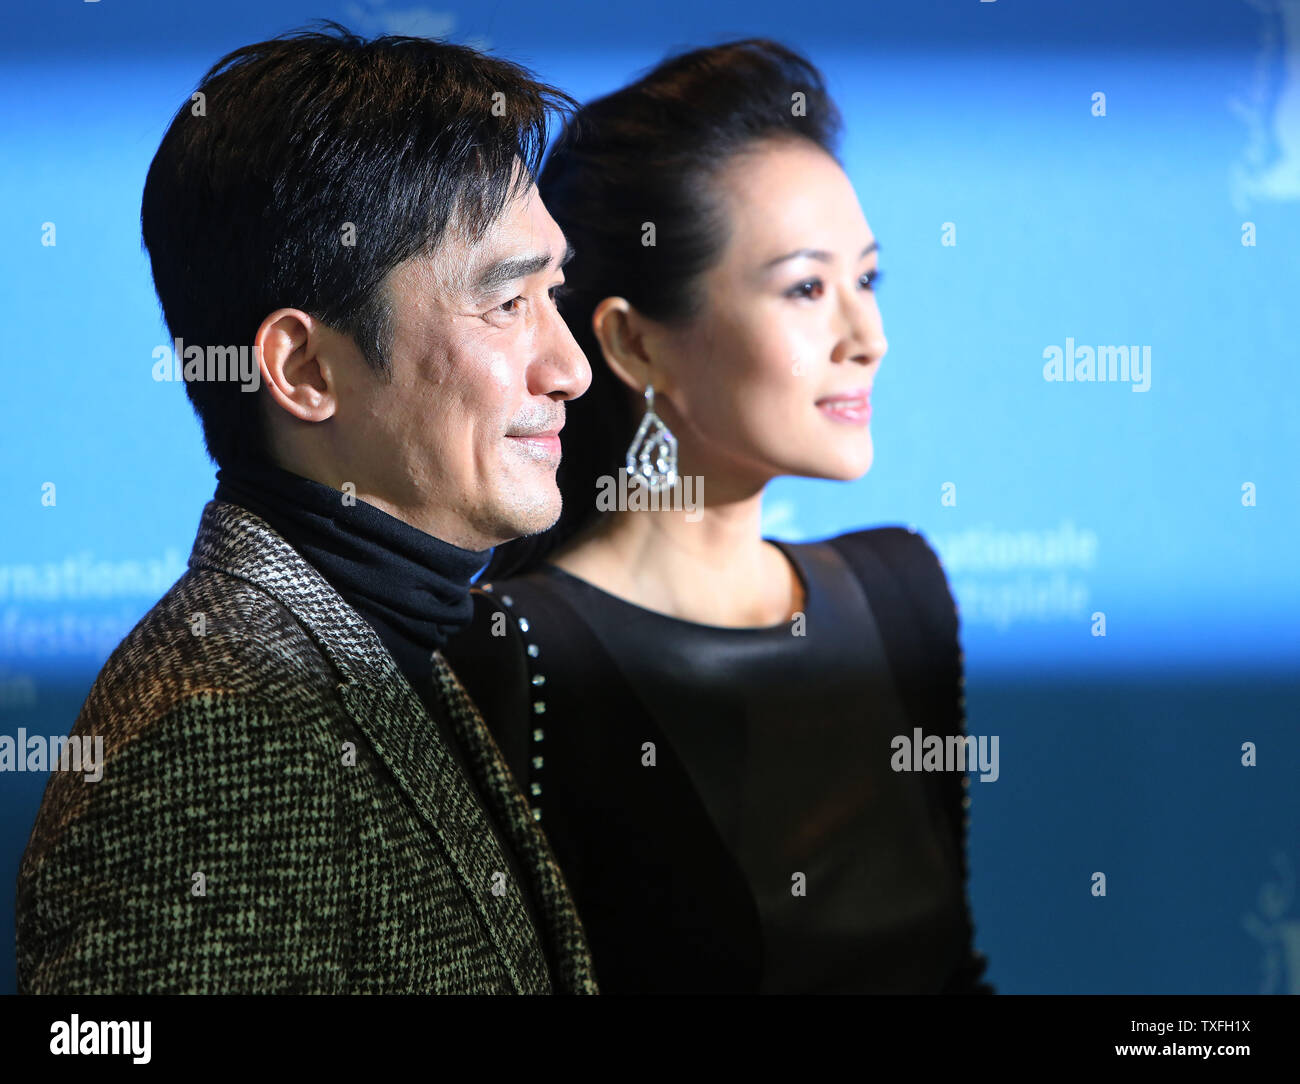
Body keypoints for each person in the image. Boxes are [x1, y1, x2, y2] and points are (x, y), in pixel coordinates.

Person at [16, 24, 597, 994]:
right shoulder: (211, 742)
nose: (569, 367)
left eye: (554, 293)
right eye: (506, 305)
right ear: (303, 369)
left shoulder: (396, 644)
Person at [443, 38, 994, 994]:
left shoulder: (902, 595)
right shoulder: (515, 655)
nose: (869, 339)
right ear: (634, 342)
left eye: (868, 279)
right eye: (807, 288)